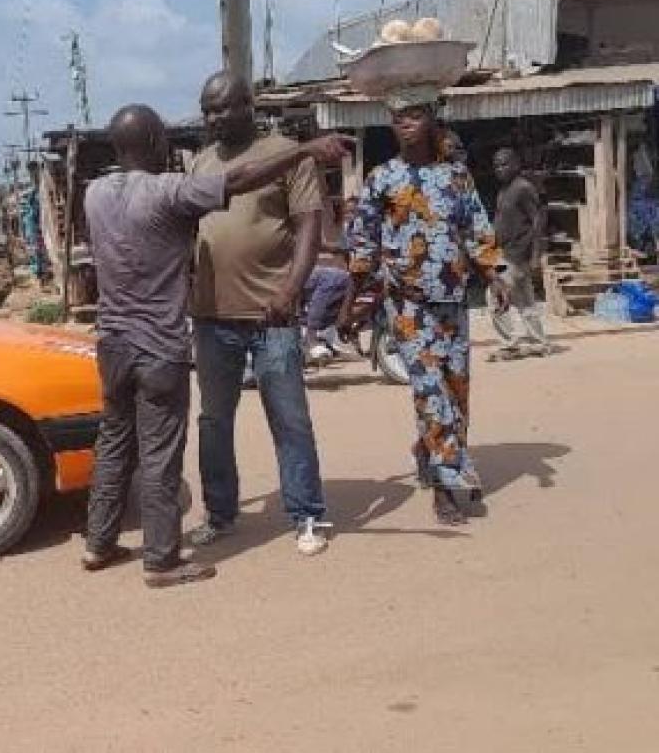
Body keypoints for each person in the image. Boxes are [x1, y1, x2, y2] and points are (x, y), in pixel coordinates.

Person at [83, 102, 350, 587]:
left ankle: (98, 543)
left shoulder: (94, 193)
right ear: (156, 143)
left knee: (115, 441)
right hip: (157, 346)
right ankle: (161, 560)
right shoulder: (168, 189)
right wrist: (305, 150)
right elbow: (241, 180)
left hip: (113, 343)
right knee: (160, 453)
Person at [187, 70, 333, 556]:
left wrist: (291, 289)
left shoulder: (287, 154)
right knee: (214, 422)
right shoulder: (201, 162)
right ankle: (220, 514)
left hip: (272, 315)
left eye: (222, 108)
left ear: (248, 105)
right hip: (212, 316)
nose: (213, 118)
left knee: (289, 418)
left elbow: (309, 227)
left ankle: (307, 514)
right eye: (207, 110)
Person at [344, 97, 509, 525]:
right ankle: (445, 486)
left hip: (453, 301)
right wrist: (349, 305)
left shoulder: (456, 177)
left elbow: (477, 231)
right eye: (399, 117)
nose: (406, 124)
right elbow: (363, 245)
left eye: (415, 116)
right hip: (407, 306)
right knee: (431, 391)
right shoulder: (382, 178)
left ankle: (428, 450)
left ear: (431, 120)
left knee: (456, 389)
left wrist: (496, 277)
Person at [489, 148, 550, 360]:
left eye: (504, 164)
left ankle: (509, 345)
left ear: (516, 164)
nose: (500, 169)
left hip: (514, 253)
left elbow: (538, 220)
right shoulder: (504, 190)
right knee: (525, 300)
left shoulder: (523, 188)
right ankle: (538, 343)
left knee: (496, 296)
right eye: (497, 165)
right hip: (506, 253)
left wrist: (536, 254)